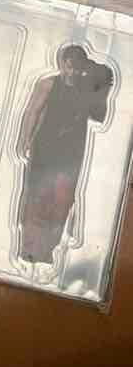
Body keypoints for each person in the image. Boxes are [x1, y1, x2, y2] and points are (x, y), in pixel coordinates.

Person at [17, 45, 113, 264]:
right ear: (61, 63)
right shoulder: (48, 84)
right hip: (44, 149)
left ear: (83, 67)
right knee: (36, 198)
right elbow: (32, 111)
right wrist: (25, 139)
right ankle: (28, 248)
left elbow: (100, 114)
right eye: (68, 67)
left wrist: (99, 84)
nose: (71, 72)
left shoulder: (88, 89)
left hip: (71, 153)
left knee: (62, 201)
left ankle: (47, 251)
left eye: (76, 68)